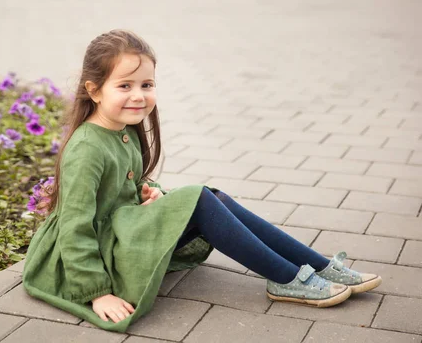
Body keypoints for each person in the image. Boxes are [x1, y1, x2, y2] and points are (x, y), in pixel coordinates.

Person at [22, 29, 382, 332]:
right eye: (124, 85)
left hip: (120, 234)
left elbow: (124, 187)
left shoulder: (121, 131)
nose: (138, 95)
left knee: (214, 198)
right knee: (198, 198)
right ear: (95, 90)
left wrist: (150, 194)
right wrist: (97, 291)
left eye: (146, 84)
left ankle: (316, 265)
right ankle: (287, 278)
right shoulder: (86, 148)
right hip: (95, 256)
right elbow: (74, 225)